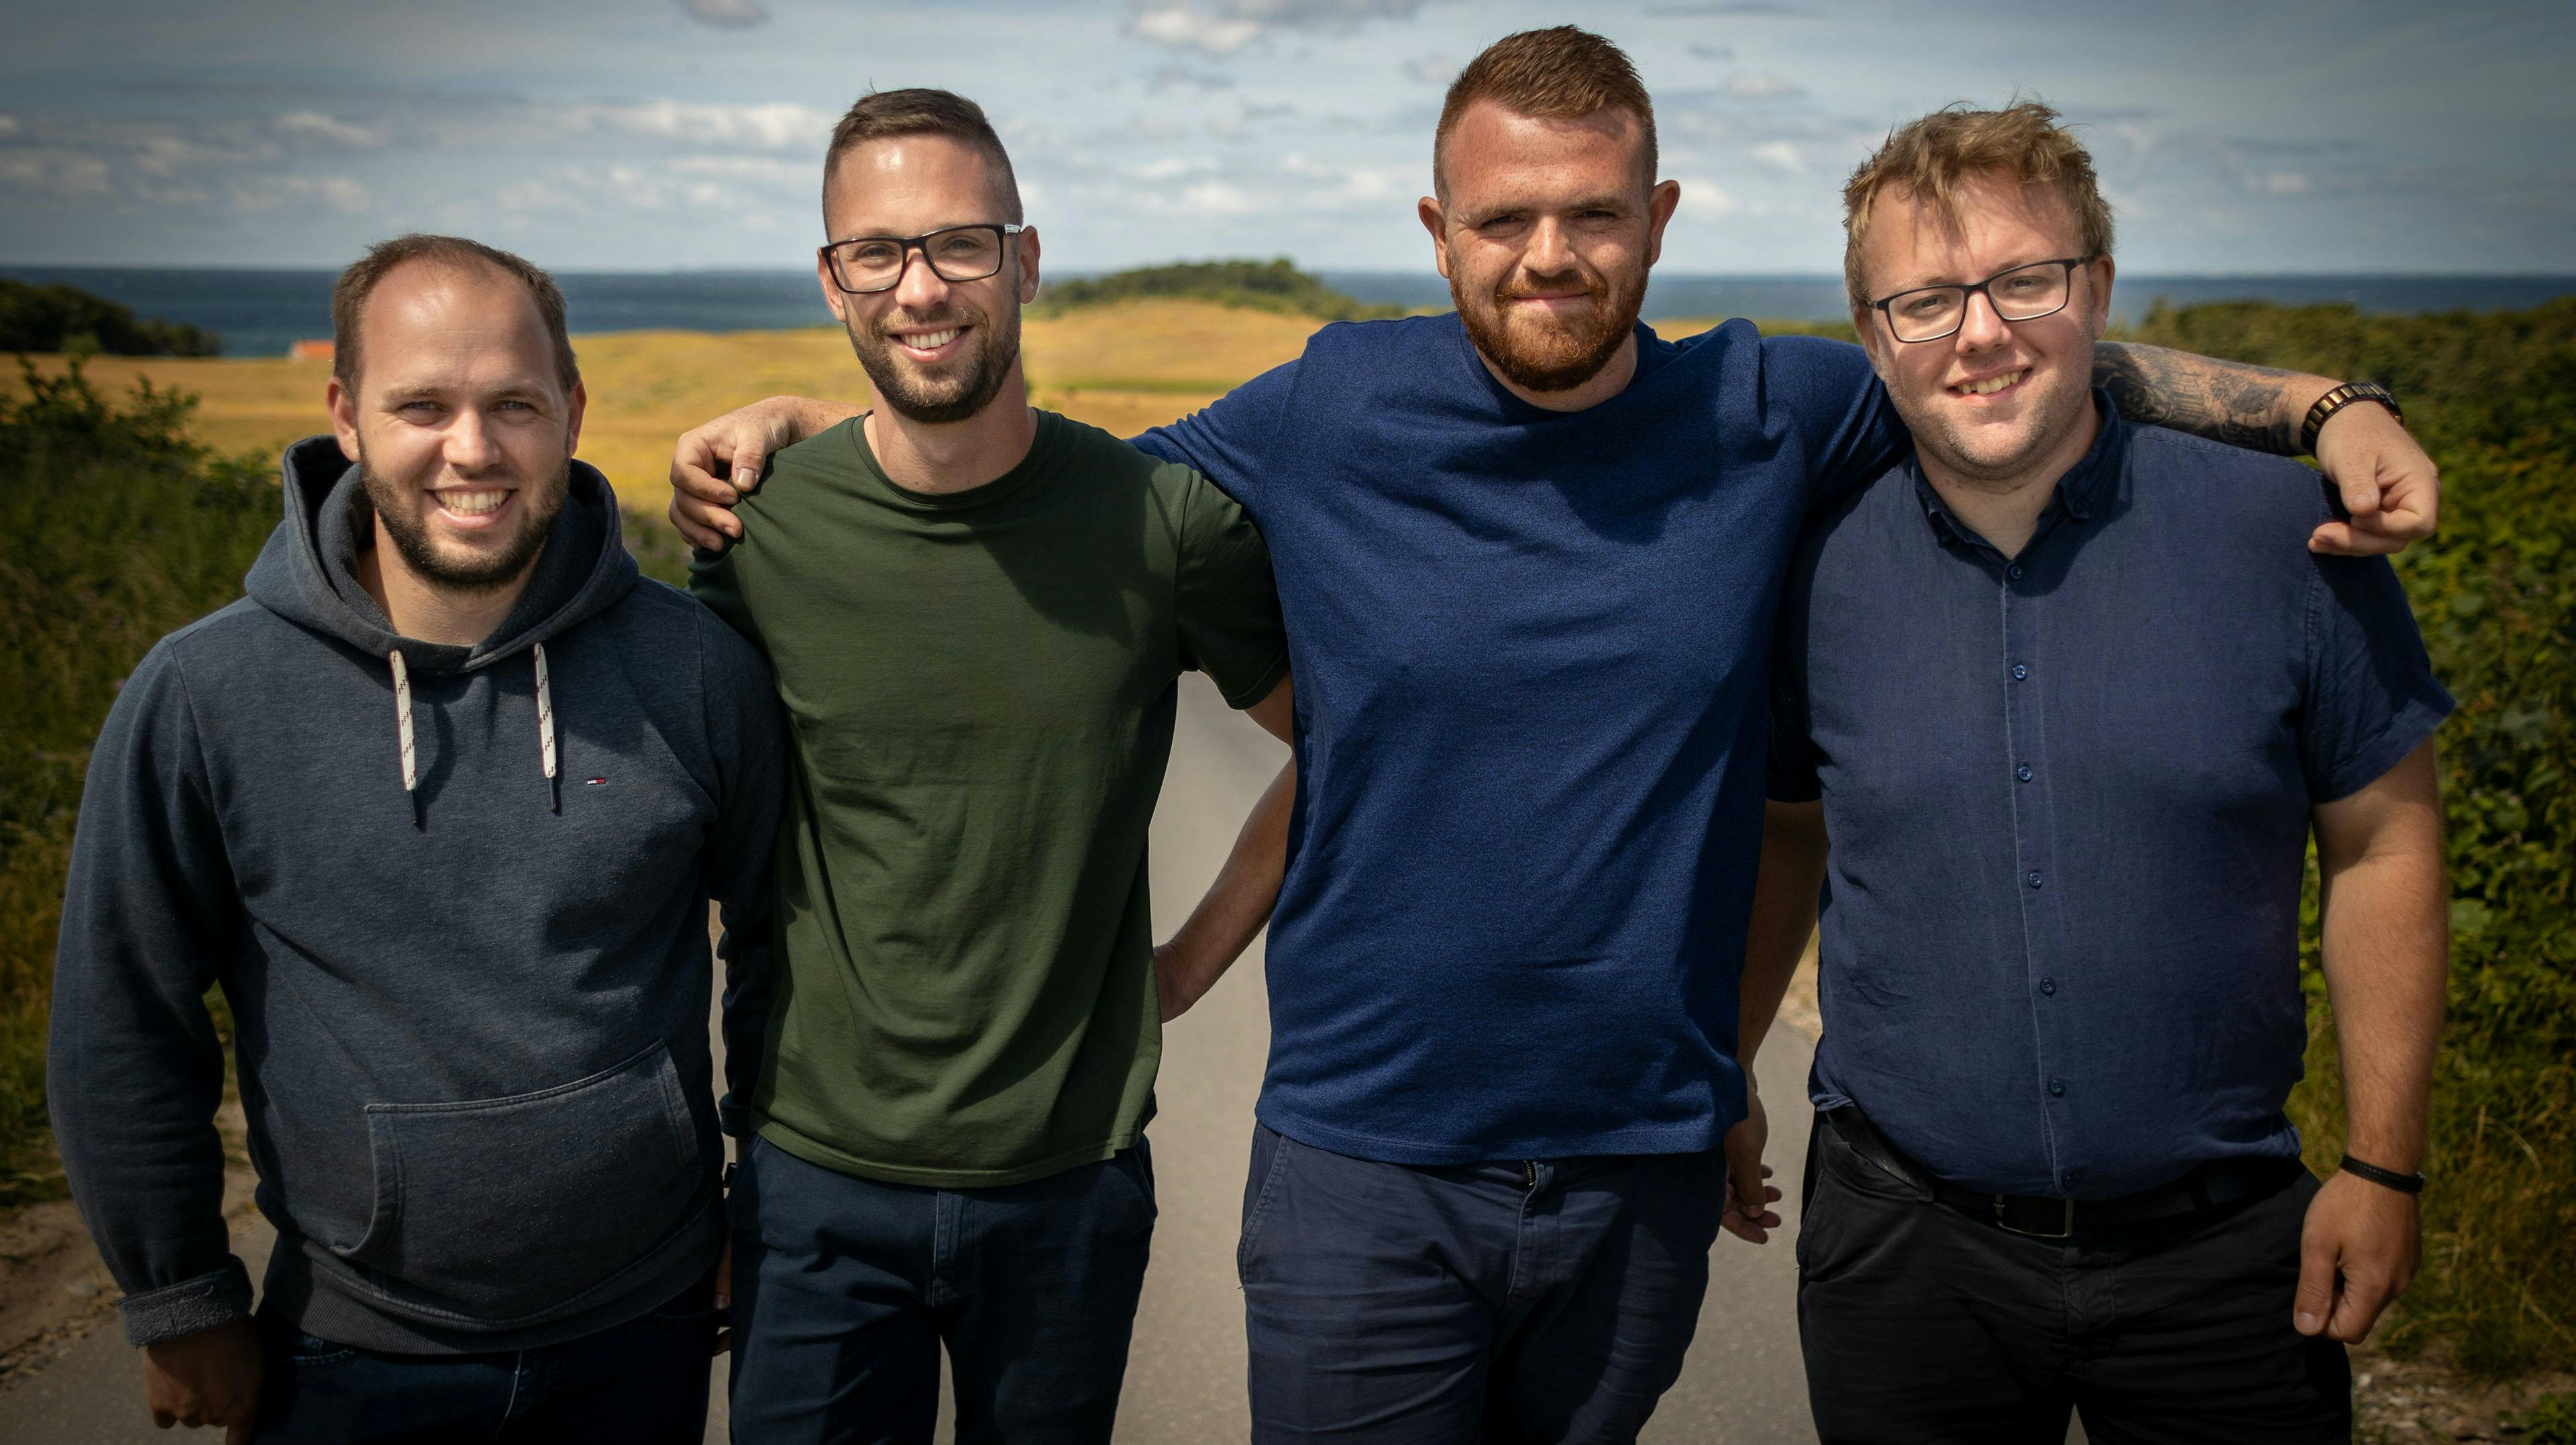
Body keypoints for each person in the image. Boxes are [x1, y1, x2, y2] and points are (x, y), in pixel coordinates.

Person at [666, 31, 2442, 1443]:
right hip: (1366, 1167)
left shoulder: (1773, 404)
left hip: (1636, 1173)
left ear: (1657, 219)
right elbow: (1041, 491)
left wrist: (2320, 405)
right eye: (1503, 219)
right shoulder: (1332, 404)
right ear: (1436, 231)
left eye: (1592, 214)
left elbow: (2012, 351)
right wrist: (821, 421)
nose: (1549, 255)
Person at [1743, 102, 2449, 1444]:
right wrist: (1728, 1070)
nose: (1981, 332)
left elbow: (2386, 845)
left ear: (2100, 290)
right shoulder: (1809, 568)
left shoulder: (2293, 542)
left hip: (2227, 1259)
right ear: (1873, 335)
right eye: (1926, 300)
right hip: (1903, 1255)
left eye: (2027, 280)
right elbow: (1788, 828)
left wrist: (2384, 1165)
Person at [47, 234, 783, 1444]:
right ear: (346, 415)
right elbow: (119, 1015)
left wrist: (765, 1209)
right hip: (347, 1352)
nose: (473, 449)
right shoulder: (204, 696)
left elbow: (782, 957)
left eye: (514, 405)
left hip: (647, 1329)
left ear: (573, 412)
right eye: (423, 406)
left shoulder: (697, 669)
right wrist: (180, 1300)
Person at [689, 89, 1293, 1445]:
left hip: (1069, 1186)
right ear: (835, 283)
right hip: (814, 1181)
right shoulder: (756, 531)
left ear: (1025, 262)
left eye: (960, 244)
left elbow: (1345, 752)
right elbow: (701, 853)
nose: (921, 287)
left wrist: (1182, 969)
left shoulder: (1161, 525)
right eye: (878, 252)